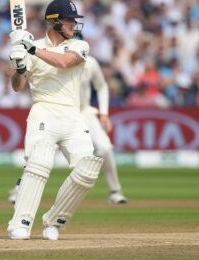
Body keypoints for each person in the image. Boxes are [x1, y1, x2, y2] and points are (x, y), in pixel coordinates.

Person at [7, 0, 104, 240]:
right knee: (39, 163)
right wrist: (19, 67)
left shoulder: (80, 46)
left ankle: (53, 221)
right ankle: (20, 224)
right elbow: (18, 87)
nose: (73, 25)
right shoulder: (33, 46)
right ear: (54, 22)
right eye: (69, 21)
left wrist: (30, 50)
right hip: (44, 111)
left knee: (88, 169)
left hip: (72, 115)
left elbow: (63, 62)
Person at [8, 55, 128, 204]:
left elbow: (101, 86)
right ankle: (19, 190)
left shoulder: (90, 62)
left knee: (105, 148)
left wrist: (103, 112)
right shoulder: (51, 58)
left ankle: (115, 192)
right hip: (56, 113)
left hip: (83, 113)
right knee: (38, 153)